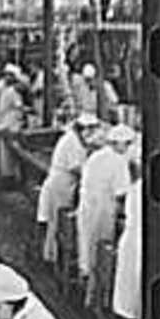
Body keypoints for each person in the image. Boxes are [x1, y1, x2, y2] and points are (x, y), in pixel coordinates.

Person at [76, 123, 134, 301]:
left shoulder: (97, 155)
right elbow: (121, 193)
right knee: (100, 250)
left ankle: (85, 282)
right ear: (119, 143)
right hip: (102, 209)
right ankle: (94, 294)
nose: (128, 148)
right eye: (127, 144)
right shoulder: (118, 161)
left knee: (86, 244)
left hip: (86, 205)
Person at [37, 112, 100, 263]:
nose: (90, 133)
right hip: (60, 186)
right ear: (81, 128)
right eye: (89, 129)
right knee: (57, 224)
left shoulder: (75, 139)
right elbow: (76, 168)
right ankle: (53, 257)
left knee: (57, 223)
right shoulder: (71, 142)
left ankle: (53, 256)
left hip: (64, 185)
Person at [113, 175, 142, 319]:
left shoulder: (138, 185)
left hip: (131, 242)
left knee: (129, 297)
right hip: (139, 244)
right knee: (135, 296)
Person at [0, 63, 25, 180]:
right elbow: (18, 106)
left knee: (4, 152)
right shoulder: (5, 89)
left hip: (5, 121)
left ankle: (6, 174)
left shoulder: (7, 89)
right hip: (8, 122)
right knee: (7, 151)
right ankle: (8, 175)